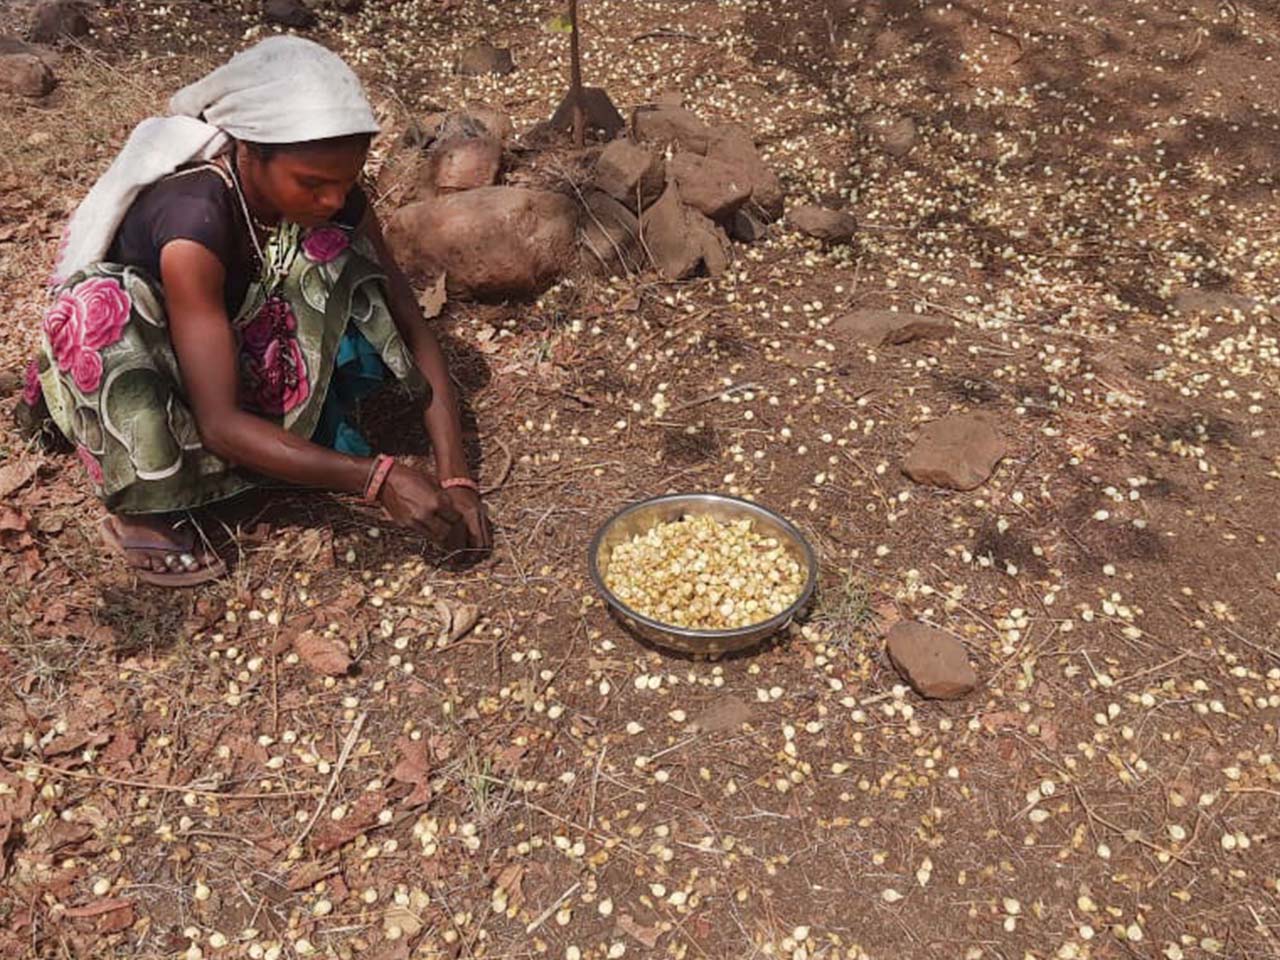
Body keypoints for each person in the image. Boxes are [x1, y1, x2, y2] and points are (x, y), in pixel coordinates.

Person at [16, 36, 492, 586]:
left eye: (346, 180)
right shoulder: (195, 219)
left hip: (228, 346)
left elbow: (411, 323)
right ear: (249, 150)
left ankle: (281, 442)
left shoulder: (331, 197)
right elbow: (218, 423)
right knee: (100, 305)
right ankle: (145, 506)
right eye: (313, 184)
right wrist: (375, 478)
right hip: (159, 370)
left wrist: (456, 476)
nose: (333, 200)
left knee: (333, 249)